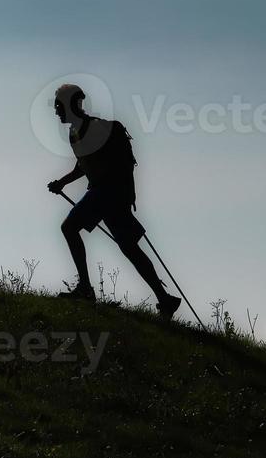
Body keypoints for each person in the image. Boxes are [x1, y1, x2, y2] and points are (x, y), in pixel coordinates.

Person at [47, 83, 182, 320]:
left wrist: (124, 194)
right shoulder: (75, 133)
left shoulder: (98, 128)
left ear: (69, 104)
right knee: (129, 247)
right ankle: (165, 299)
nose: (57, 111)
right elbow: (83, 166)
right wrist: (63, 182)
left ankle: (86, 290)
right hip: (108, 194)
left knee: (70, 228)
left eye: (59, 106)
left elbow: (118, 163)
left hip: (107, 192)